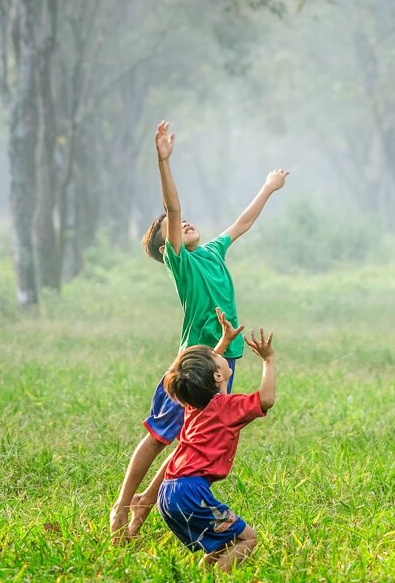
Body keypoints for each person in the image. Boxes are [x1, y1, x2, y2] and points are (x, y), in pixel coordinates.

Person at [110, 120, 287, 541]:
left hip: (224, 360)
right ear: (164, 246)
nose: (183, 222)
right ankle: (122, 508)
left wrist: (268, 187)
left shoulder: (211, 251)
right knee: (158, 436)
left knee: (191, 442)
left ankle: (140, 516)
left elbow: (242, 222)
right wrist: (163, 160)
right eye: (171, 227)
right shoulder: (182, 263)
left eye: (186, 221)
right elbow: (172, 208)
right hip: (193, 363)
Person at [158, 326, 275, 571]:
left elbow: (199, 375)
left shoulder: (194, 404)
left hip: (168, 491)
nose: (218, 354)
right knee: (248, 538)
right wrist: (268, 360)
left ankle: (203, 574)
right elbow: (266, 399)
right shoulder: (226, 407)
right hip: (191, 493)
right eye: (216, 356)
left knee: (221, 544)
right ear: (217, 377)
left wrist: (223, 341)